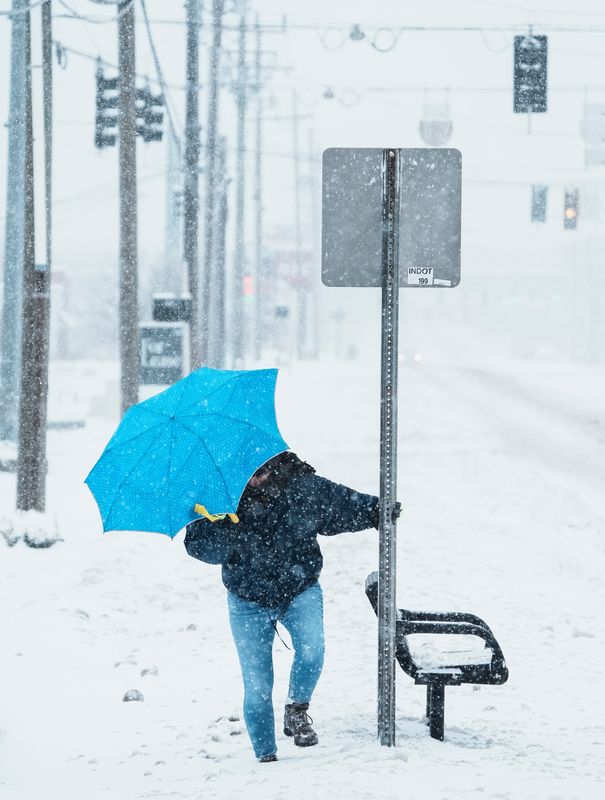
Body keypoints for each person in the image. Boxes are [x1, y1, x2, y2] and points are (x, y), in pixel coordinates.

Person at [184, 451, 400, 763]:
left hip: (299, 589)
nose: (255, 475)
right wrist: (223, 524)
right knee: (257, 687)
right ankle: (266, 759)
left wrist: (375, 510)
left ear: (271, 462)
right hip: (247, 602)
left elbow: (337, 504)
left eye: (260, 468)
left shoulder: (298, 485)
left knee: (313, 651)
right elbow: (200, 548)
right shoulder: (218, 497)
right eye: (247, 471)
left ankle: (297, 709)